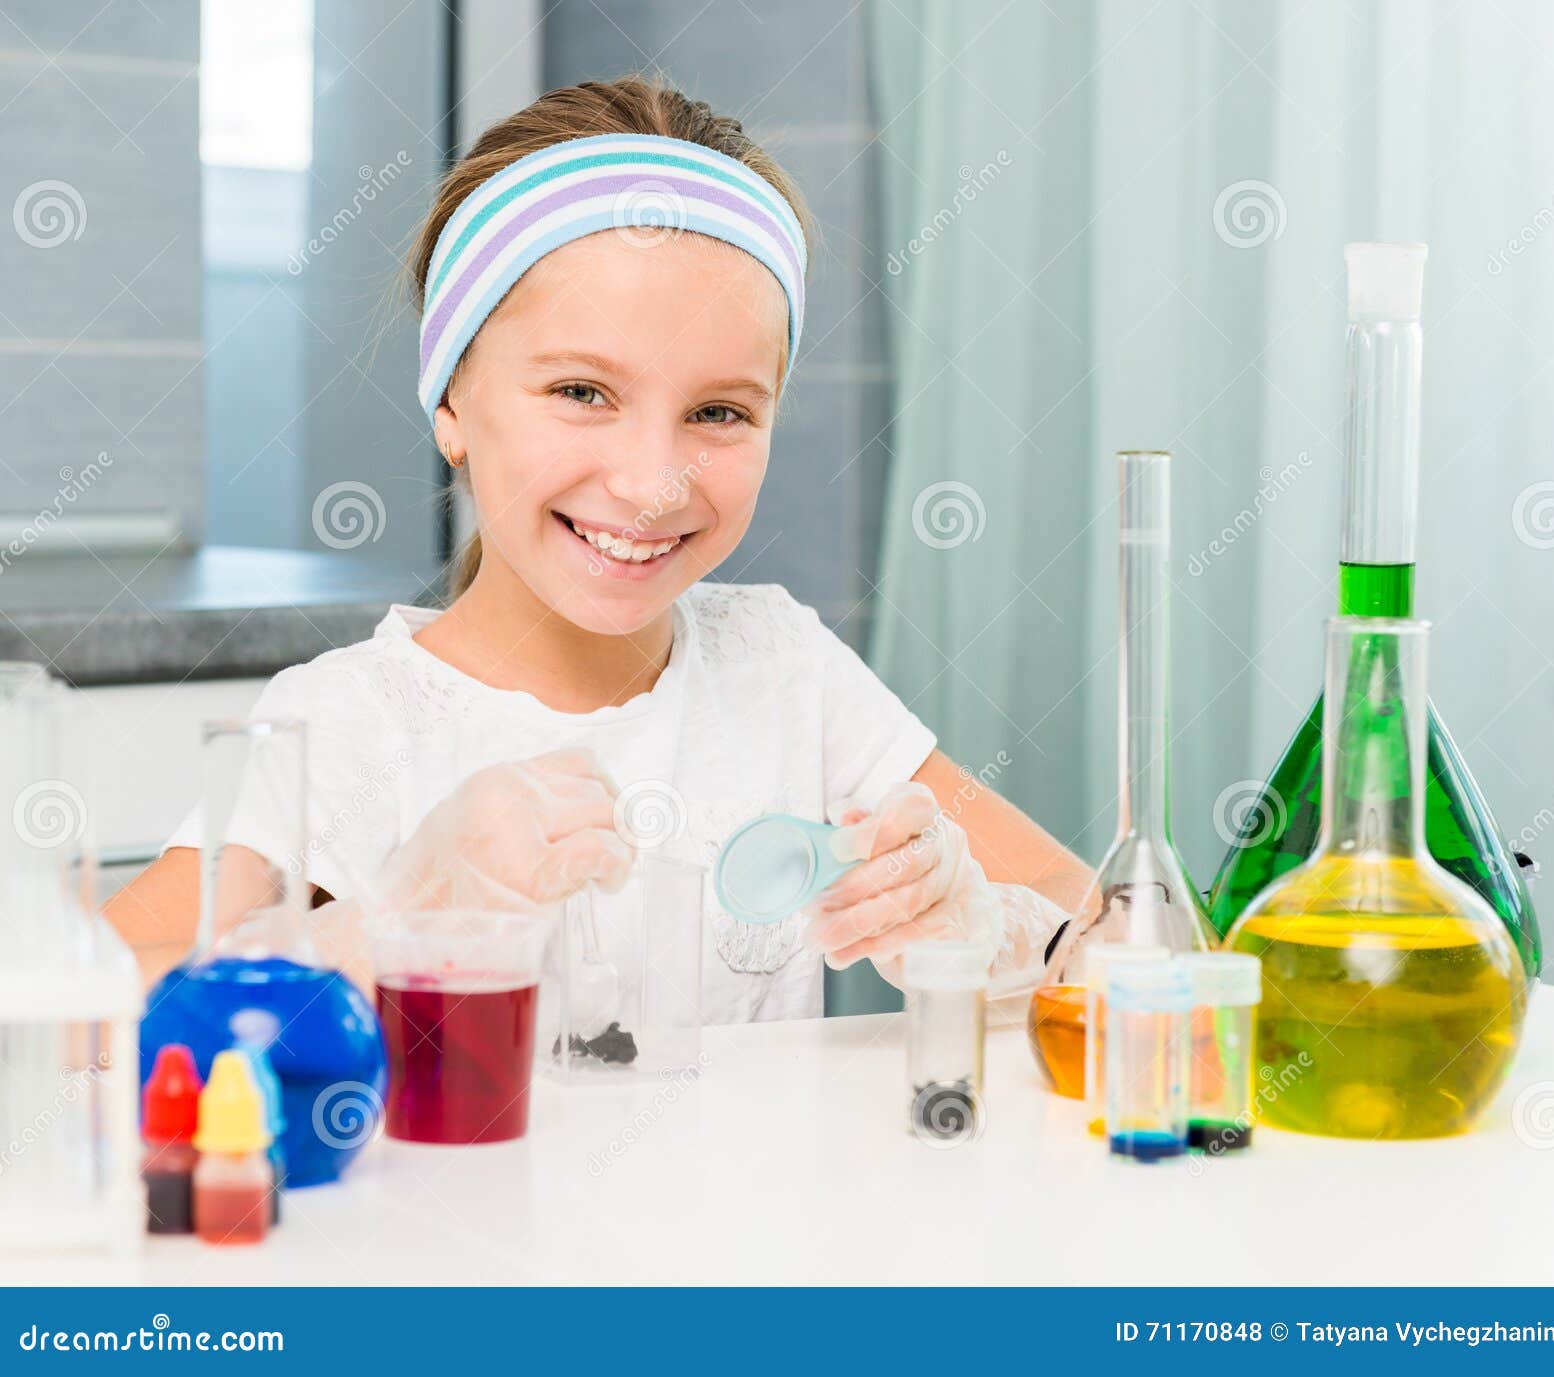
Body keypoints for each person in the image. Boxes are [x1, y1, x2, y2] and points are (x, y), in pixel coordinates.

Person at [107, 75, 1094, 1019]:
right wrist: (372, 937)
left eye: (718, 411)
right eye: (582, 392)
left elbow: (1108, 917)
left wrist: (996, 932)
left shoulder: (785, 675)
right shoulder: (346, 727)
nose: (649, 480)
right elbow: (72, 1007)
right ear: (452, 400)